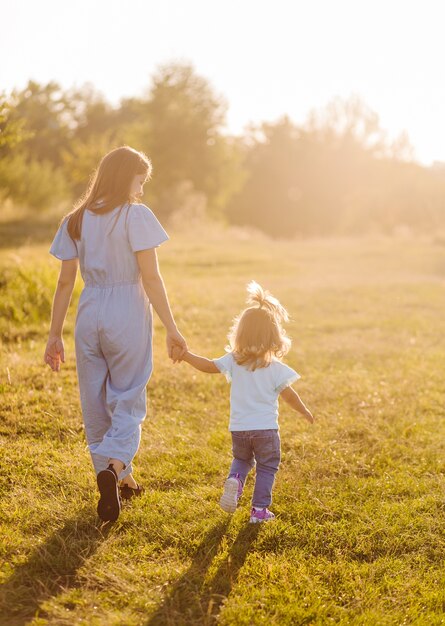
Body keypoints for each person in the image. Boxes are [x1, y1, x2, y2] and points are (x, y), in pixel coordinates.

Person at [44, 146, 187, 523]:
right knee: (129, 397)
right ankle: (115, 466)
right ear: (127, 177)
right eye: (140, 180)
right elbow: (151, 278)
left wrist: (53, 334)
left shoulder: (75, 219)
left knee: (95, 404)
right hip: (126, 309)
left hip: (89, 311)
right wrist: (172, 328)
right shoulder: (134, 216)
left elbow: (63, 282)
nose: (141, 188)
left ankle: (120, 480)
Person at [176, 281, 314, 523]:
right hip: (266, 430)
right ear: (274, 336)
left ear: (240, 333)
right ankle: (259, 511)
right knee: (267, 466)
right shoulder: (275, 368)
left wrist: (186, 355)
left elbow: (208, 365)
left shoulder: (233, 361)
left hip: (239, 429)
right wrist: (304, 411)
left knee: (242, 459)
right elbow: (289, 395)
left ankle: (236, 480)